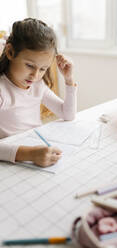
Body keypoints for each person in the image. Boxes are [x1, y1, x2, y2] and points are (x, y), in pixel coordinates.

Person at [0, 18, 77, 167]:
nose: (35, 76)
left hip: (37, 152)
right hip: (11, 160)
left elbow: (67, 114)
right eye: (29, 65)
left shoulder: (37, 86)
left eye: (43, 69)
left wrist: (68, 79)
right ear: (10, 52)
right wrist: (30, 154)